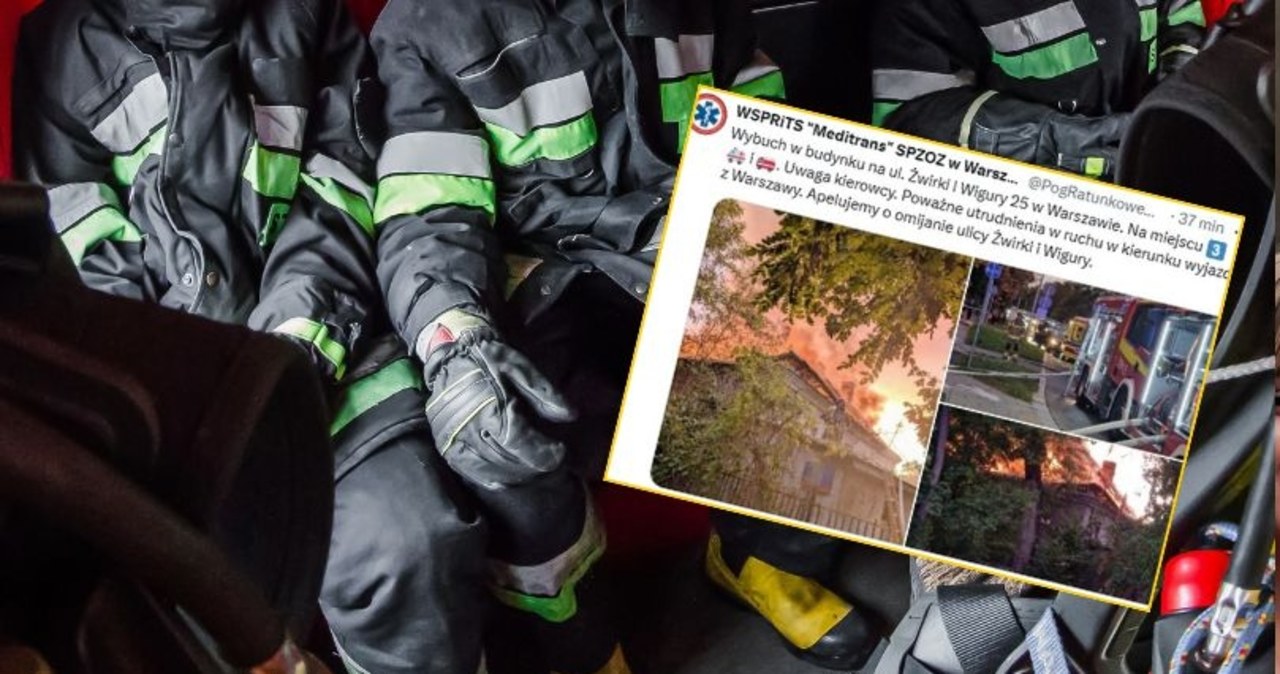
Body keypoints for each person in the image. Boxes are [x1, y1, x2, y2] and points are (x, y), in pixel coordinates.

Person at [368, 0, 880, 671]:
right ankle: (580, 647)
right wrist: (455, 339)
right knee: (498, 430)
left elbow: (756, 108)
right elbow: (432, 209)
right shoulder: (426, 23)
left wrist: (789, 225)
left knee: (819, 326)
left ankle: (760, 558)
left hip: (679, 234)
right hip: (535, 275)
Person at [12, 2, 492, 673]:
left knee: (408, 542)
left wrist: (290, 361)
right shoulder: (58, 43)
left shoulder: (309, 15)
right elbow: (82, 256)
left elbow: (340, 194)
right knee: (152, 595)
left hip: (333, 349)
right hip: (167, 398)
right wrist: (185, 401)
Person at [871, 0, 1207, 180]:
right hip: (1023, 210)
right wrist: (1049, 142)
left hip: (1143, 183)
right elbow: (905, 118)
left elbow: (1180, 16)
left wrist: (1175, 96)